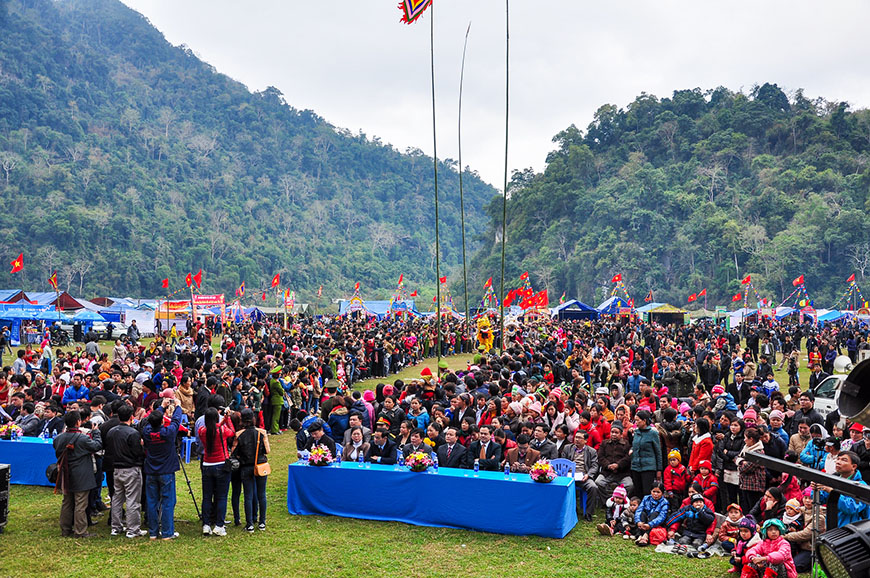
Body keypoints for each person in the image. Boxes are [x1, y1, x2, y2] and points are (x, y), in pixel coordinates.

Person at [53, 410, 103, 538]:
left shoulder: (58, 438)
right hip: (82, 473)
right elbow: (97, 446)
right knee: (80, 503)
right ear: (78, 422)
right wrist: (96, 432)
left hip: (66, 472)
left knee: (67, 502)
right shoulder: (83, 438)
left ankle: (65, 528)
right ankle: (80, 531)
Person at [142, 398, 183, 540]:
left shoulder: (147, 432)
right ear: (163, 421)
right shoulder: (168, 432)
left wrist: (160, 407)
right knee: (168, 502)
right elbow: (177, 421)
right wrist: (177, 406)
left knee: (152, 502)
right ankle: (167, 532)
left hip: (151, 470)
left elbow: (149, 421)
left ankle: (153, 532)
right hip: (166, 471)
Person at [104, 403, 146, 538]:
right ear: (131, 417)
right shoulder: (133, 433)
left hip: (116, 468)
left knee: (116, 498)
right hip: (130, 468)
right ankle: (133, 529)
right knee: (132, 499)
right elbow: (137, 452)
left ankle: (116, 527)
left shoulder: (111, 432)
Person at [198, 406, 236, 536]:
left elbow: (213, 429)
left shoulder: (202, 431)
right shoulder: (222, 430)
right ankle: (219, 525)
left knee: (207, 496)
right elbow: (232, 432)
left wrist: (224, 420)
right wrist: (228, 419)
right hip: (221, 464)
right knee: (221, 496)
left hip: (207, 465)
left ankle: (206, 524)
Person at [233, 408, 270, 532]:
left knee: (248, 495)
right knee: (262, 494)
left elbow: (234, 452)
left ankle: (249, 524)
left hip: (245, 466)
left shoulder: (239, 435)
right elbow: (267, 450)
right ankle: (262, 522)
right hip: (260, 465)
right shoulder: (262, 432)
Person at [814, 451, 870, 528]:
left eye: (844, 460)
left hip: (853, 530)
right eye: (838, 459)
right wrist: (817, 488)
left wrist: (832, 492)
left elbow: (852, 508)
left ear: (853, 466)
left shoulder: (860, 486)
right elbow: (820, 499)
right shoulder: (834, 480)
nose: (838, 462)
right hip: (832, 526)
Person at [567, 430, 600, 521]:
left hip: (583, 476)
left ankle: (588, 513)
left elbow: (594, 466)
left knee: (593, 487)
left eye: (579, 438)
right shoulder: (567, 448)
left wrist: (588, 475)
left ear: (585, 440)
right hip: (568, 476)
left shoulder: (591, 451)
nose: (577, 439)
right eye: (576, 437)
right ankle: (572, 510)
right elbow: (563, 462)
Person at [595, 424, 634, 498]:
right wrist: (608, 465)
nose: (614, 434)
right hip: (607, 472)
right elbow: (600, 457)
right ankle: (606, 501)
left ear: (621, 434)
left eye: (616, 433)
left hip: (622, 473)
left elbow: (627, 458)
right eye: (612, 432)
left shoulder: (626, 444)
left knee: (630, 485)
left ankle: (621, 501)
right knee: (598, 482)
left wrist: (618, 465)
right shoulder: (604, 443)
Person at [631, 410, 662, 498]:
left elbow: (658, 452)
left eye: (638, 420)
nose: (636, 423)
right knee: (637, 490)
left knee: (647, 491)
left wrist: (659, 469)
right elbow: (635, 445)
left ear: (644, 421)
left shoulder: (653, 433)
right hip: (636, 466)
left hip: (648, 467)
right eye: (635, 420)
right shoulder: (636, 432)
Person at [633, 481, 669, 546]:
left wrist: (650, 524)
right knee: (642, 513)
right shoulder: (646, 498)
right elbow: (639, 510)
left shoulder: (664, 503)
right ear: (650, 491)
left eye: (658, 492)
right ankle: (640, 535)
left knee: (654, 514)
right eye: (654, 491)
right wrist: (638, 521)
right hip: (646, 521)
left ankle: (646, 535)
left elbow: (661, 517)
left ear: (662, 493)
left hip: (656, 523)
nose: (655, 494)